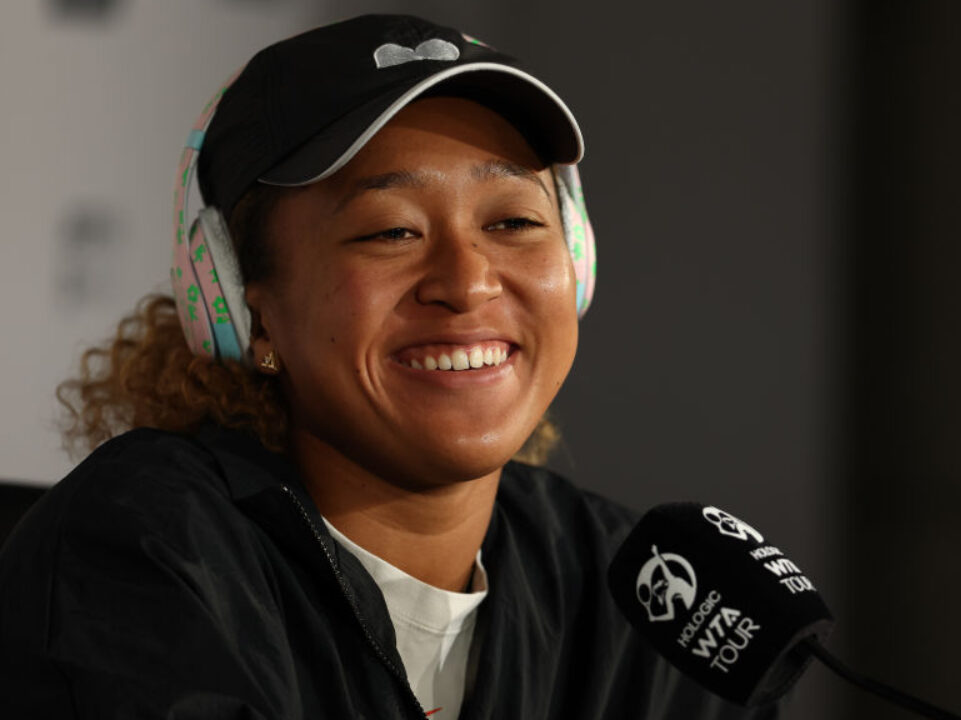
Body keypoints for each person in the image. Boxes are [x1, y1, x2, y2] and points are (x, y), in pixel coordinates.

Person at [0, 15, 779, 720]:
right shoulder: (146, 550)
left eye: (513, 220)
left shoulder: (640, 591)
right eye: (391, 232)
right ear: (243, 305)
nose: (468, 282)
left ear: (576, 262)